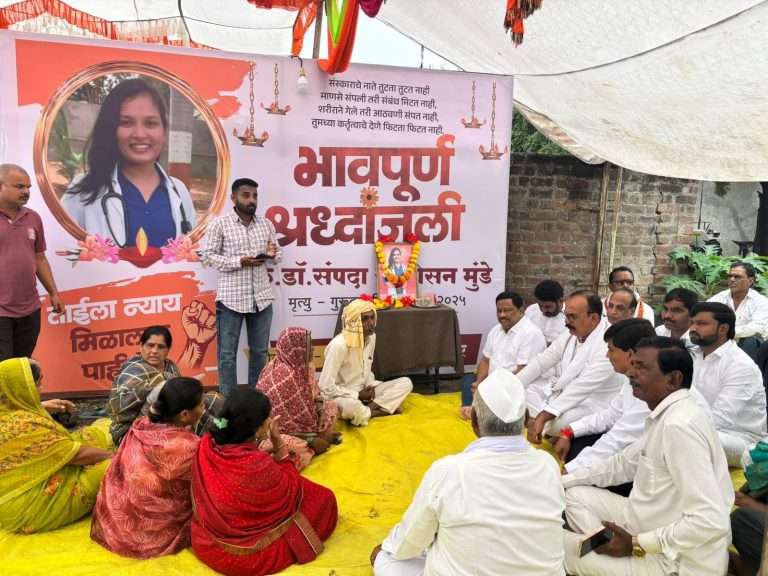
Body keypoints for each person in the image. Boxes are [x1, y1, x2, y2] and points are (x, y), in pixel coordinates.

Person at [562, 337, 733, 576]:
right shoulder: (666, 414)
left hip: (673, 563)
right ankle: (608, 546)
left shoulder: (678, 426)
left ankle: (616, 550)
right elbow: (621, 464)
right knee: (573, 495)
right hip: (646, 522)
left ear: (673, 379)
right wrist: (557, 482)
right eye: (633, 364)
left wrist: (637, 544)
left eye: (641, 367)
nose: (630, 373)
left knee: (558, 548)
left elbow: (711, 521)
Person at [372, 368, 566, 576]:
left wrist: (387, 548)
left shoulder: (449, 470)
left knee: (388, 560)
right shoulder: (548, 465)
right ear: (526, 418)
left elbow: (409, 541)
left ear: (474, 423)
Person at [191, 388, 338, 576]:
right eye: (267, 418)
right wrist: (278, 443)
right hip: (241, 556)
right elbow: (290, 488)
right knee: (324, 499)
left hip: (206, 541)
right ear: (257, 428)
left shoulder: (206, 443)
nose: (270, 421)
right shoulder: (257, 465)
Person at [62, 78, 195, 248]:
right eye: (126, 122)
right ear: (110, 129)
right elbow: (63, 255)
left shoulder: (180, 192)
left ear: (164, 131)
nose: (139, 134)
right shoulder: (82, 191)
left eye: (150, 123)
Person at [91, 376, 204, 558]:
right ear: (184, 414)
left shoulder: (142, 425)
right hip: (151, 533)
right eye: (201, 405)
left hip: (117, 519)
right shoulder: (187, 446)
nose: (203, 409)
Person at [0, 357, 113, 533]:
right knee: (113, 467)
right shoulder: (26, 425)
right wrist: (116, 456)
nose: (42, 389)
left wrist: (43, 406)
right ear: (22, 389)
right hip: (29, 507)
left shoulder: (8, 411)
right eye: (37, 384)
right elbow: (76, 456)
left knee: (96, 432)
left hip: (8, 502)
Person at [201, 177, 282, 395]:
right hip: (231, 300)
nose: (251, 200)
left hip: (261, 299)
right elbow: (207, 256)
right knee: (227, 355)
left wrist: (272, 255)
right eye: (246, 195)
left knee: (259, 353)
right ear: (233, 198)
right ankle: (228, 402)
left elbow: (278, 254)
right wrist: (239, 261)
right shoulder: (220, 224)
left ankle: (255, 400)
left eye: (254, 195)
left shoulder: (266, 224)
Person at [554, 318, 655, 480]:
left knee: (573, 483)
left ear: (630, 354)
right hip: (624, 450)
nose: (607, 356)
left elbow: (617, 440)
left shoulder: (651, 389)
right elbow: (610, 415)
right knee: (574, 443)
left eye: (611, 350)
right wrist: (569, 431)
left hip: (641, 471)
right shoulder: (632, 378)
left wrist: (565, 472)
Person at [518, 291, 623, 443]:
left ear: (594, 318)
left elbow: (583, 386)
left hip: (594, 402)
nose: (566, 322)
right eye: (566, 316)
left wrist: (546, 414)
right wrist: (513, 387)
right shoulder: (571, 333)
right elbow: (541, 362)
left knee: (555, 424)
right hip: (563, 393)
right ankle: (533, 421)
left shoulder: (609, 343)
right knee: (525, 394)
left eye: (572, 317)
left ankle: (535, 423)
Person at [689, 302, 766, 466]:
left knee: (686, 435)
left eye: (702, 323)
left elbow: (719, 420)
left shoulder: (740, 365)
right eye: (693, 322)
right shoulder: (693, 355)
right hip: (698, 428)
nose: (693, 328)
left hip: (739, 440)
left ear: (723, 329)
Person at [0, 164, 63, 361]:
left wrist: (53, 292)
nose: (26, 192)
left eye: (28, 187)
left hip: (30, 309)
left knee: (22, 365)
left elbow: (39, 258)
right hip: (1, 311)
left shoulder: (33, 218)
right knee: (4, 368)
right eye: (19, 186)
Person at [318, 299, 412, 426]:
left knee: (406, 383)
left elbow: (366, 369)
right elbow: (325, 387)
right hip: (343, 396)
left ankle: (368, 410)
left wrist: (369, 386)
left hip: (365, 391)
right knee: (352, 406)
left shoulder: (371, 337)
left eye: (372, 318)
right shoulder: (339, 345)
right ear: (353, 322)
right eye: (365, 319)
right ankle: (379, 411)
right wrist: (357, 395)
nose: (371, 323)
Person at [459, 290, 546, 419]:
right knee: (468, 381)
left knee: (514, 406)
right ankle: (475, 407)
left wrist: (491, 390)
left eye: (507, 310)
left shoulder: (531, 333)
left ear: (520, 310)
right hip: (494, 383)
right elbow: (485, 360)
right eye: (499, 311)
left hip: (517, 385)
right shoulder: (495, 330)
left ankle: (479, 408)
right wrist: (478, 383)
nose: (502, 315)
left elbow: (522, 373)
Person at [257, 327, 341, 458]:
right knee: (292, 448)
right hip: (279, 432)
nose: (312, 349)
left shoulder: (306, 366)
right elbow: (278, 424)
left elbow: (316, 394)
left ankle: (320, 437)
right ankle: (316, 440)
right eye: (307, 345)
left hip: (307, 423)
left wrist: (321, 412)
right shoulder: (283, 377)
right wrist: (312, 439)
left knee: (332, 406)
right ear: (294, 348)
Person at [106, 325, 180, 445]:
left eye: (161, 347)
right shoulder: (132, 371)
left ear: (168, 349)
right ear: (141, 346)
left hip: (166, 424)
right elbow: (119, 409)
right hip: (129, 431)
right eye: (150, 345)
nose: (154, 351)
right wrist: (161, 385)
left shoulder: (170, 367)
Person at [708, 261, 768, 358]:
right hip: (724, 342)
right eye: (730, 276)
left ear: (750, 281)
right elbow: (702, 312)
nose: (732, 279)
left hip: (753, 347)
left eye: (737, 277)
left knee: (749, 340)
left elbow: (756, 328)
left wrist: (725, 333)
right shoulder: (721, 297)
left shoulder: (761, 302)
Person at [525, 279, 567, 345]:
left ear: (560, 301)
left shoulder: (570, 316)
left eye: (548, 307)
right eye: (540, 305)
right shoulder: (531, 310)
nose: (543, 310)